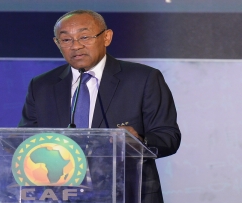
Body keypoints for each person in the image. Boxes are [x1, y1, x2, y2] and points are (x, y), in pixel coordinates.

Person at [18, 9, 181, 203]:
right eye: (66, 40)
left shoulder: (143, 78)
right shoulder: (42, 85)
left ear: (107, 37)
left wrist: (139, 141)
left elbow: (168, 136)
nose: (76, 46)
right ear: (57, 44)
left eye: (84, 37)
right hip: (61, 195)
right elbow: (26, 140)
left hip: (129, 194)